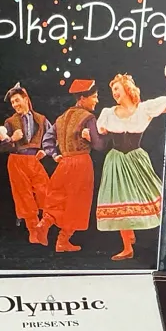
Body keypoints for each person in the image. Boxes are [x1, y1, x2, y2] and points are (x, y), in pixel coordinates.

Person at [85, 67, 166, 261]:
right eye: (112, 90)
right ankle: (127, 246)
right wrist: (90, 136)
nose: (114, 93)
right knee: (119, 198)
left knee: (151, 193)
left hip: (136, 158)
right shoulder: (108, 113)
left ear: (127, 88)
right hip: (116, 160)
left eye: (117, 88)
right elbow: (101, 136)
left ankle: (151, 239)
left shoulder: (144, 109)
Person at [44, 80, 101, 252]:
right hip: (81, 162)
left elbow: (47, 139)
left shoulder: (61, 118)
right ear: (82, 98)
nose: (97, 100)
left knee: (59, 198)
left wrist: (54, 154)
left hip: (64, 163)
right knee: (78, 203)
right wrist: (94, 137)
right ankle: (62, 240)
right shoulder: (88, 118)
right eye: (94, 97)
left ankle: (44, 224)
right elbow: (99, 145)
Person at [0, 84, 55, 243]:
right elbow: (1, 147)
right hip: (16, 160)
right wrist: (12, 139)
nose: (15, 105)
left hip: (34, 161)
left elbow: (53, 137)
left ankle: (42, 227)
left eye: (17, 100)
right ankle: (33, 232)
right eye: (12, 103)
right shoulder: (10, 122)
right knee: (24, 197)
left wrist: (45, 150)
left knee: (46, 192)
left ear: (25, 99)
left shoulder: (41, 119)